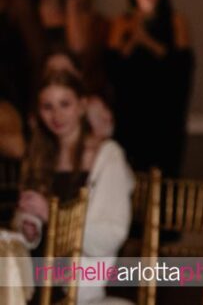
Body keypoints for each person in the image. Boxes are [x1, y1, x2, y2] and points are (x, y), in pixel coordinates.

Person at [13, 70, 133, 304]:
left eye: (64, 104)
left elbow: (112, 234)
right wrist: (29, 227)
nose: (56, 115)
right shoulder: (40, 156)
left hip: (78, 279)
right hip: (35, 269)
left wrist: (52, 214)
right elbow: (26, 223)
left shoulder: (107, 156)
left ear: (81, 105)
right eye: (48, 107)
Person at [106, 0, 194, 176]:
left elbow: (181, 66)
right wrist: (133, 37)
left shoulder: (175, 21)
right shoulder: (122, 22)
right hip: (130, 110)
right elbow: (112, 66)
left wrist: (147, 40)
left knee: (164, 173)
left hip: (164, 111)